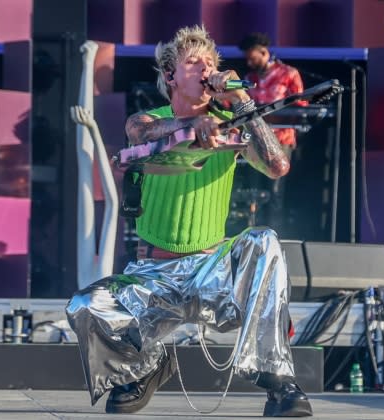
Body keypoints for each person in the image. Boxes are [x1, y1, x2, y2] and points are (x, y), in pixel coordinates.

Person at [66, 25, 313, 418]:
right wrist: (190, 128)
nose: (205, 68)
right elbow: (143, 132)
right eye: (193, 61)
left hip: (211, 272)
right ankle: (147, 368)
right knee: (85, 305)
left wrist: (241, 101)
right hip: (153, 274)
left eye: (211, 62)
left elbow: (278, 165)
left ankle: (277, 380)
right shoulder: (147, 119)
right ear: (170, 76)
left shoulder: (232, 122)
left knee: (263, 240)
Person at [238, 33, 306, 233]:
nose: (249, 62)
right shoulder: (249, 78)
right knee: (254, 191)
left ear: (264, 52)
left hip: (281, 139)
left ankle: (275, 235)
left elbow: (301, 106)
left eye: (253, 57)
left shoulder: (289, 74)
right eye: (247, 59)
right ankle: (251, 235)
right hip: (254, 141)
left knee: (275, 191)